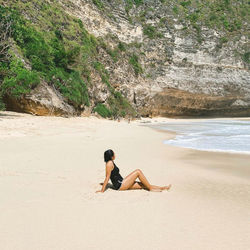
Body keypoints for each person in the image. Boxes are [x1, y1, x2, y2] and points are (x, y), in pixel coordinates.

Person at [96, 149, 172, 193]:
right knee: (138, 171)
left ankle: (163, 188)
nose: (115, 155)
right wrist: (102, 190)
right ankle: (151, 188)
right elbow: (107, 177)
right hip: (120, 185)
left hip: (122, 182)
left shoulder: (110, 162)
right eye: (114, 154)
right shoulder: (109, 164)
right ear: (111, 156)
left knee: (143, 185)